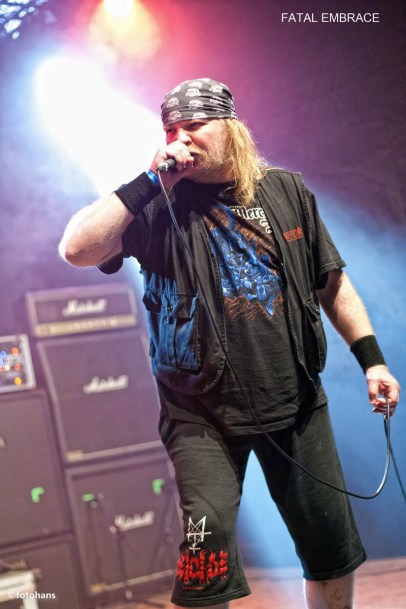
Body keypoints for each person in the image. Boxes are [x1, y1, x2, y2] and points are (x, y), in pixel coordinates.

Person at [59, 78, 400, 609]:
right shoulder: (157, 201)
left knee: (330, 546)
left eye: (195, 126)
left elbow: (330, 282)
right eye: (172, 129)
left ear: (231, 128)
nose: (181, 138)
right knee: (207, 548)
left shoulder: (286, 191)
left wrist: (372, 361)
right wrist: (149, 181)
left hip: (295, 400)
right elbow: (76, 249)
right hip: (200, 411)